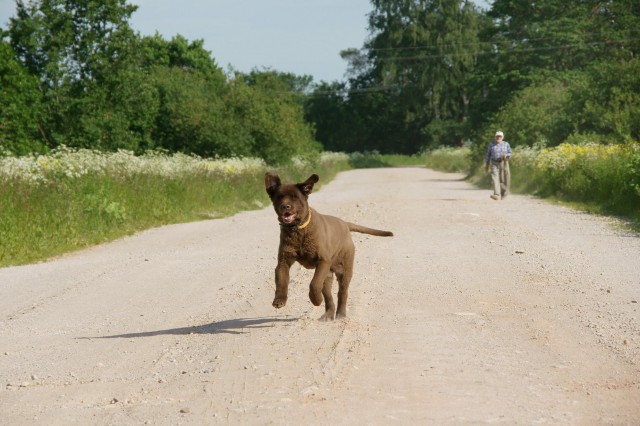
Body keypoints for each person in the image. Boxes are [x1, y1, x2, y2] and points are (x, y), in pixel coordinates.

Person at [484, 131, 512, 200]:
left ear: (502, 137)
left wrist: (507, 155)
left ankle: (504, 193)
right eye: (497, 136)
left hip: (504, 162)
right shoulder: (491, 144)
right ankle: (496, 194)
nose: (498, 138)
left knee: (504, 179)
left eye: (500, 136)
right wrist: (487, 164)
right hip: (494, 163)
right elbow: (488, 154)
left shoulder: (506, 144)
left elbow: (510, 153)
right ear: (495, 137)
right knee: (494, 178)